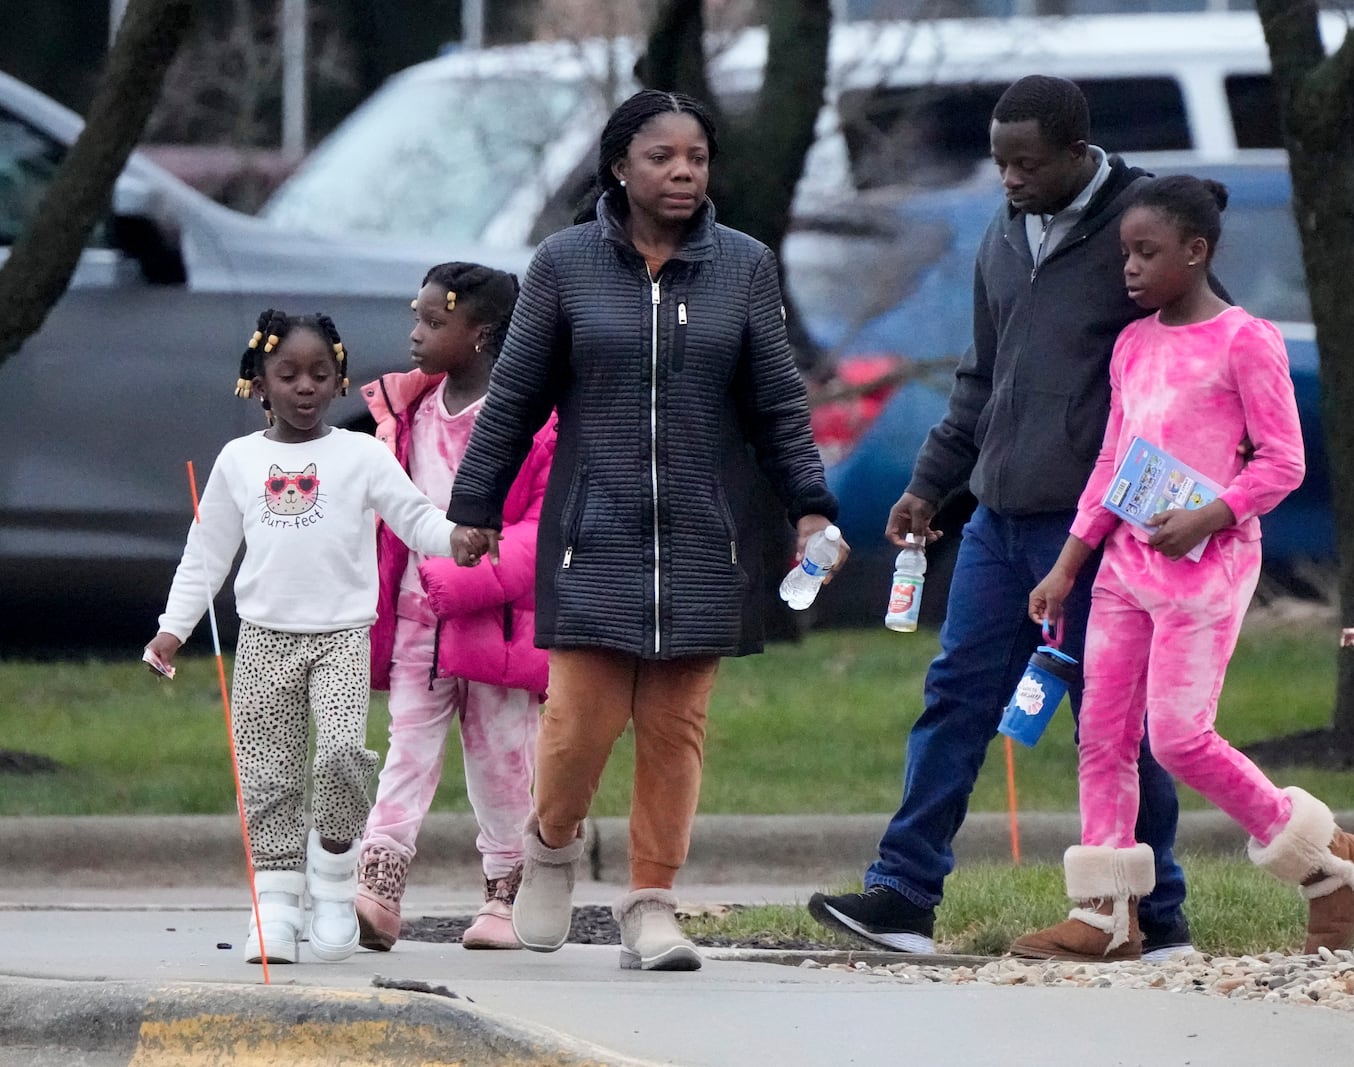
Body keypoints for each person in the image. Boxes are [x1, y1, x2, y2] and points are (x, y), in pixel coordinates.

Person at [445, 89, 844, 972]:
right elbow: (512, 399)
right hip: (594, 532)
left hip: (704, 535)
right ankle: (550, 845)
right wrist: (474, 506)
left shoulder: (743, 267)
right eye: (662, 157)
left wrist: (813, 505)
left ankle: (652, 903)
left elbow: (778, 402)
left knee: (676, 726)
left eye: (695, 158)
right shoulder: (564, 264)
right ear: (620, 166)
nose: (682, 172)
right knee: (579, 723)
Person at [807, 75, 1194, 959]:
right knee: (955, 698)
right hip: (998, 517)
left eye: (1027, 164)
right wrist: (931, 483)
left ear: (1076, 151)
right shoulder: (1004, 231)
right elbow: (981, 378)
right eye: (1000, 163)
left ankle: (1160, 914)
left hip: (1096, 526)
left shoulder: (1139, 229)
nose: (1010, 179)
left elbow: (1185, 375)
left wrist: (1153, 510)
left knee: (1111, 717)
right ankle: (902, 895)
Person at [1015, 175, 1354, 960]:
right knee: (1103, 735)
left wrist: (1208, 516)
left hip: (1206, 570)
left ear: (1197, 251)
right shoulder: (1132, 344)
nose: (1130, 268)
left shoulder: (1245, 339)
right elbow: (1115, 465)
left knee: (1180, 738)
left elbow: (1283, 463)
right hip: (1122, 570)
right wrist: (1069, 564)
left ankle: (1331, 863)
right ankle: (1104, 915)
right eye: (1126, 253)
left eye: (1147, 252)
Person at [144, 309, 473, 965]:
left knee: (342, 758)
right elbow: (206, 552)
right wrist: (171, 630)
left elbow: (413, 517)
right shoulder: (240, 460)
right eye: (287, 374)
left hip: (341, 639)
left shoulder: (361, 454)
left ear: (339, 380)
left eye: (319, 373)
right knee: (268, 777)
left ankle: (331, 888)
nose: (304, 386)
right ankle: (275, 906)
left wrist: (455, 539)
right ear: (259, 383)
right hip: (265, 641)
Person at [353, 263, 558, 953]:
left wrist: (465, 578)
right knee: (406, 746)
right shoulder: (406, 413)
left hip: (497, 622)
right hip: (416, 617)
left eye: (434, 322)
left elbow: (540, 526)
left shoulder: (534, 421)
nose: (414, 334)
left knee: (502, 761)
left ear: (483, 335)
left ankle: (507, 895)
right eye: (417, 316)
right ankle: (378, 883)